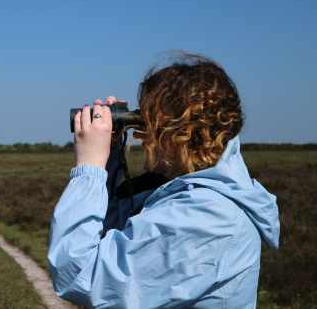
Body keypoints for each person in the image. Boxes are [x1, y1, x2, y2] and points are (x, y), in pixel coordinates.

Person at [47, 53, 280, 308]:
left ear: (177, 134)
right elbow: (114, 229)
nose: (144, 136)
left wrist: (89, 168)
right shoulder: (196, 194)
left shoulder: (208, 218)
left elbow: (80, 275)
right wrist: (111, 154)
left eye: (148, 123)